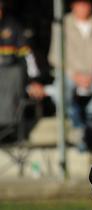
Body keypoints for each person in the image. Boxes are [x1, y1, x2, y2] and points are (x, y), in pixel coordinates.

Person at [48, 0, 92, 151]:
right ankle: (78, 127)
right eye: (79, 4)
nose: (83, 7)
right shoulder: (61, 24)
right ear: (72, 5)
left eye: (86, 3)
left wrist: (91, 74)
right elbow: (55, 56)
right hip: (70, 73)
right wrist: (74, 74)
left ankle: (90, 124)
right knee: (58, 91)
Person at [0, 0, 45, 135]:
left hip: (10, 80)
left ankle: (9, 129)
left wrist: (33, 80)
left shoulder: (13, 27)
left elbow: (27, 57)